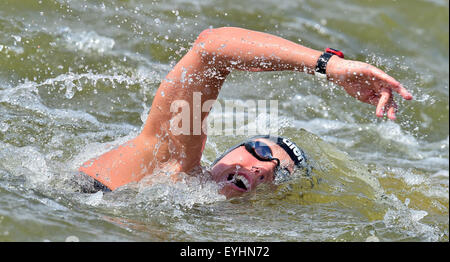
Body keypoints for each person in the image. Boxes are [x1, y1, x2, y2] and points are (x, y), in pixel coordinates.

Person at [78, 27, 413, 198]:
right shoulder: (168, 164)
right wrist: (329, 65)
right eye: (263, 151)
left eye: (280, 173)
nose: (266, 167)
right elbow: (211, 48)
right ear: (224, 155)